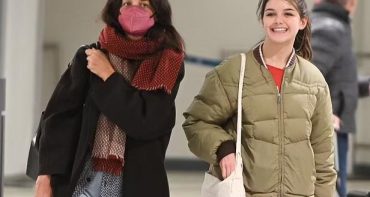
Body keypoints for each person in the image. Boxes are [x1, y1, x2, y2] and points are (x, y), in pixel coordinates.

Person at [183, 0, 337, 196]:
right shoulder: (234, 71)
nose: (278, 20)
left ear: (302, 22)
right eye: (271, 14)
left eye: (288, 14)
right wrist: (223, 148)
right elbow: (196, 122)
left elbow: (323, 155)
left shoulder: (314, 80)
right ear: (262, 20)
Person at [34, 0, 185, 196]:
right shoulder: (89, 57)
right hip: (84, 180)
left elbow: (147, 122)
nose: (134, 9)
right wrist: (45, 176)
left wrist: (109, 77)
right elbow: (58, 119)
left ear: (157, 13)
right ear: (116, 9)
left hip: (138, 184)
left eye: (144, 4)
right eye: (128, 2)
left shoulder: (167, 65)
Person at [311, 0, 370, 196]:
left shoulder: (332, 26)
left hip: (332, 130)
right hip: (327, 133)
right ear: (352, 4)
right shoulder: (330, 29)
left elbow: (338, 81)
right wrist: (326, 115)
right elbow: (306, 81)